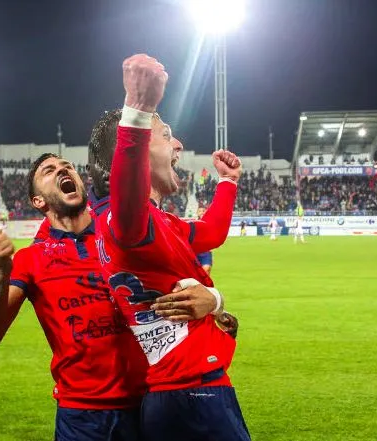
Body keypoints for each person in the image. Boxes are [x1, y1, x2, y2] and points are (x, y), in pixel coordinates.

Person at [0, 154, 224, 441]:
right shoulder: (30, 259)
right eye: (49, 171)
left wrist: (216, 301)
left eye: (67, 166)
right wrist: (1, 272)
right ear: (38, 201)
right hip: (81, 416)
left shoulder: (126, 236)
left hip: (152, 402)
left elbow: (190, 284)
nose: (62, 170)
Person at [93, 54, 249, 440]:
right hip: (193, 396)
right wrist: (138, 108)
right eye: (166, 135)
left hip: (182, 392)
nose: (178, 143)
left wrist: (228, 182)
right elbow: (127, 194)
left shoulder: (155, 222)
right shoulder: (124, 220)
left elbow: (210, 233)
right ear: (138, 148)